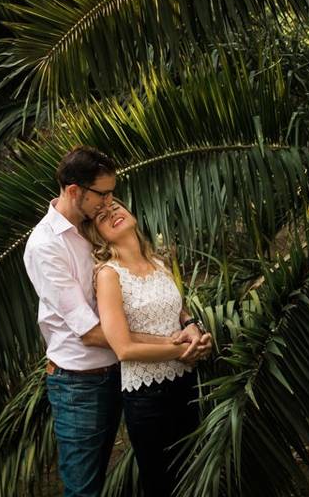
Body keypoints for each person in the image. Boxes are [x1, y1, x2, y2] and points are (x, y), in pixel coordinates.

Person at [23, 146, 210, 497]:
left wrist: (191, 324)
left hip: (136, 377)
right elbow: (94, 333)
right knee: (85, 487)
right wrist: (176, 344)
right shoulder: (45, 246)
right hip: (83, 382)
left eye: (113, 195)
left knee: (168, 469)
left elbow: (155, 303)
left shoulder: (100, 233)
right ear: (75, 190)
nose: (109, 203)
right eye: (103, 194)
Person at [80, 199, 207, 497]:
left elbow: (177, 312)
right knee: (163, 485)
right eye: (101, 216)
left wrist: (195, 328)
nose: (112, 213)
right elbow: (123, 348)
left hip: (186, 383)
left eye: (115, 207)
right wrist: (182, 350)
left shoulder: (159, 264)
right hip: (148, 396)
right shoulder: (108, 275)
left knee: (196, 478)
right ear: (98, 235)